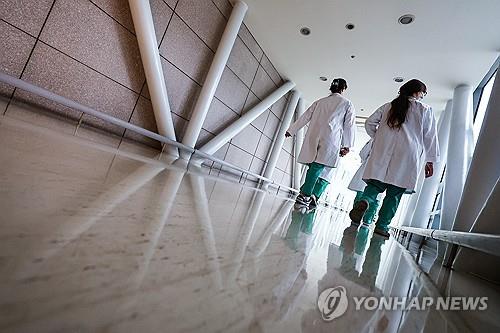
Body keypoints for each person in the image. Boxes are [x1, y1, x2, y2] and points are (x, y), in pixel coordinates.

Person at [349, 79, 439, 237]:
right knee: (394, 195)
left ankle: (366, 201)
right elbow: (430, 136)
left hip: (383, 151)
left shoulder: (389, 105)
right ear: (417, 92)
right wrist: (430, 160)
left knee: (374, 187)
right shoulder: (425, 109)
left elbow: (370, 122)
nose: (423, 96)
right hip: (407, 156)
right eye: (423, 92)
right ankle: (381, 227)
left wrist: (378, 138)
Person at [285, 78, 356, 208]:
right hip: (331, 139)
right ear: (343, 89)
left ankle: (306, 193)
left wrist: (292, 130)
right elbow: (349, 125)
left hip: (313, 135)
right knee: (317, 166)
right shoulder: (347, 104)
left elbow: (305, 116)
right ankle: (305, 195)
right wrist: (347, 145)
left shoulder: (320, 102)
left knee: (313, 166)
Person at [347, 140, 381, 224]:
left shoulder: (376, 137)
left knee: (361, 194)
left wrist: (365, 160)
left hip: (368, 166)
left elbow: (363, 153)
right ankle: (368, 219)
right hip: (382, 172)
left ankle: (356, 216)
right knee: (376, 198)